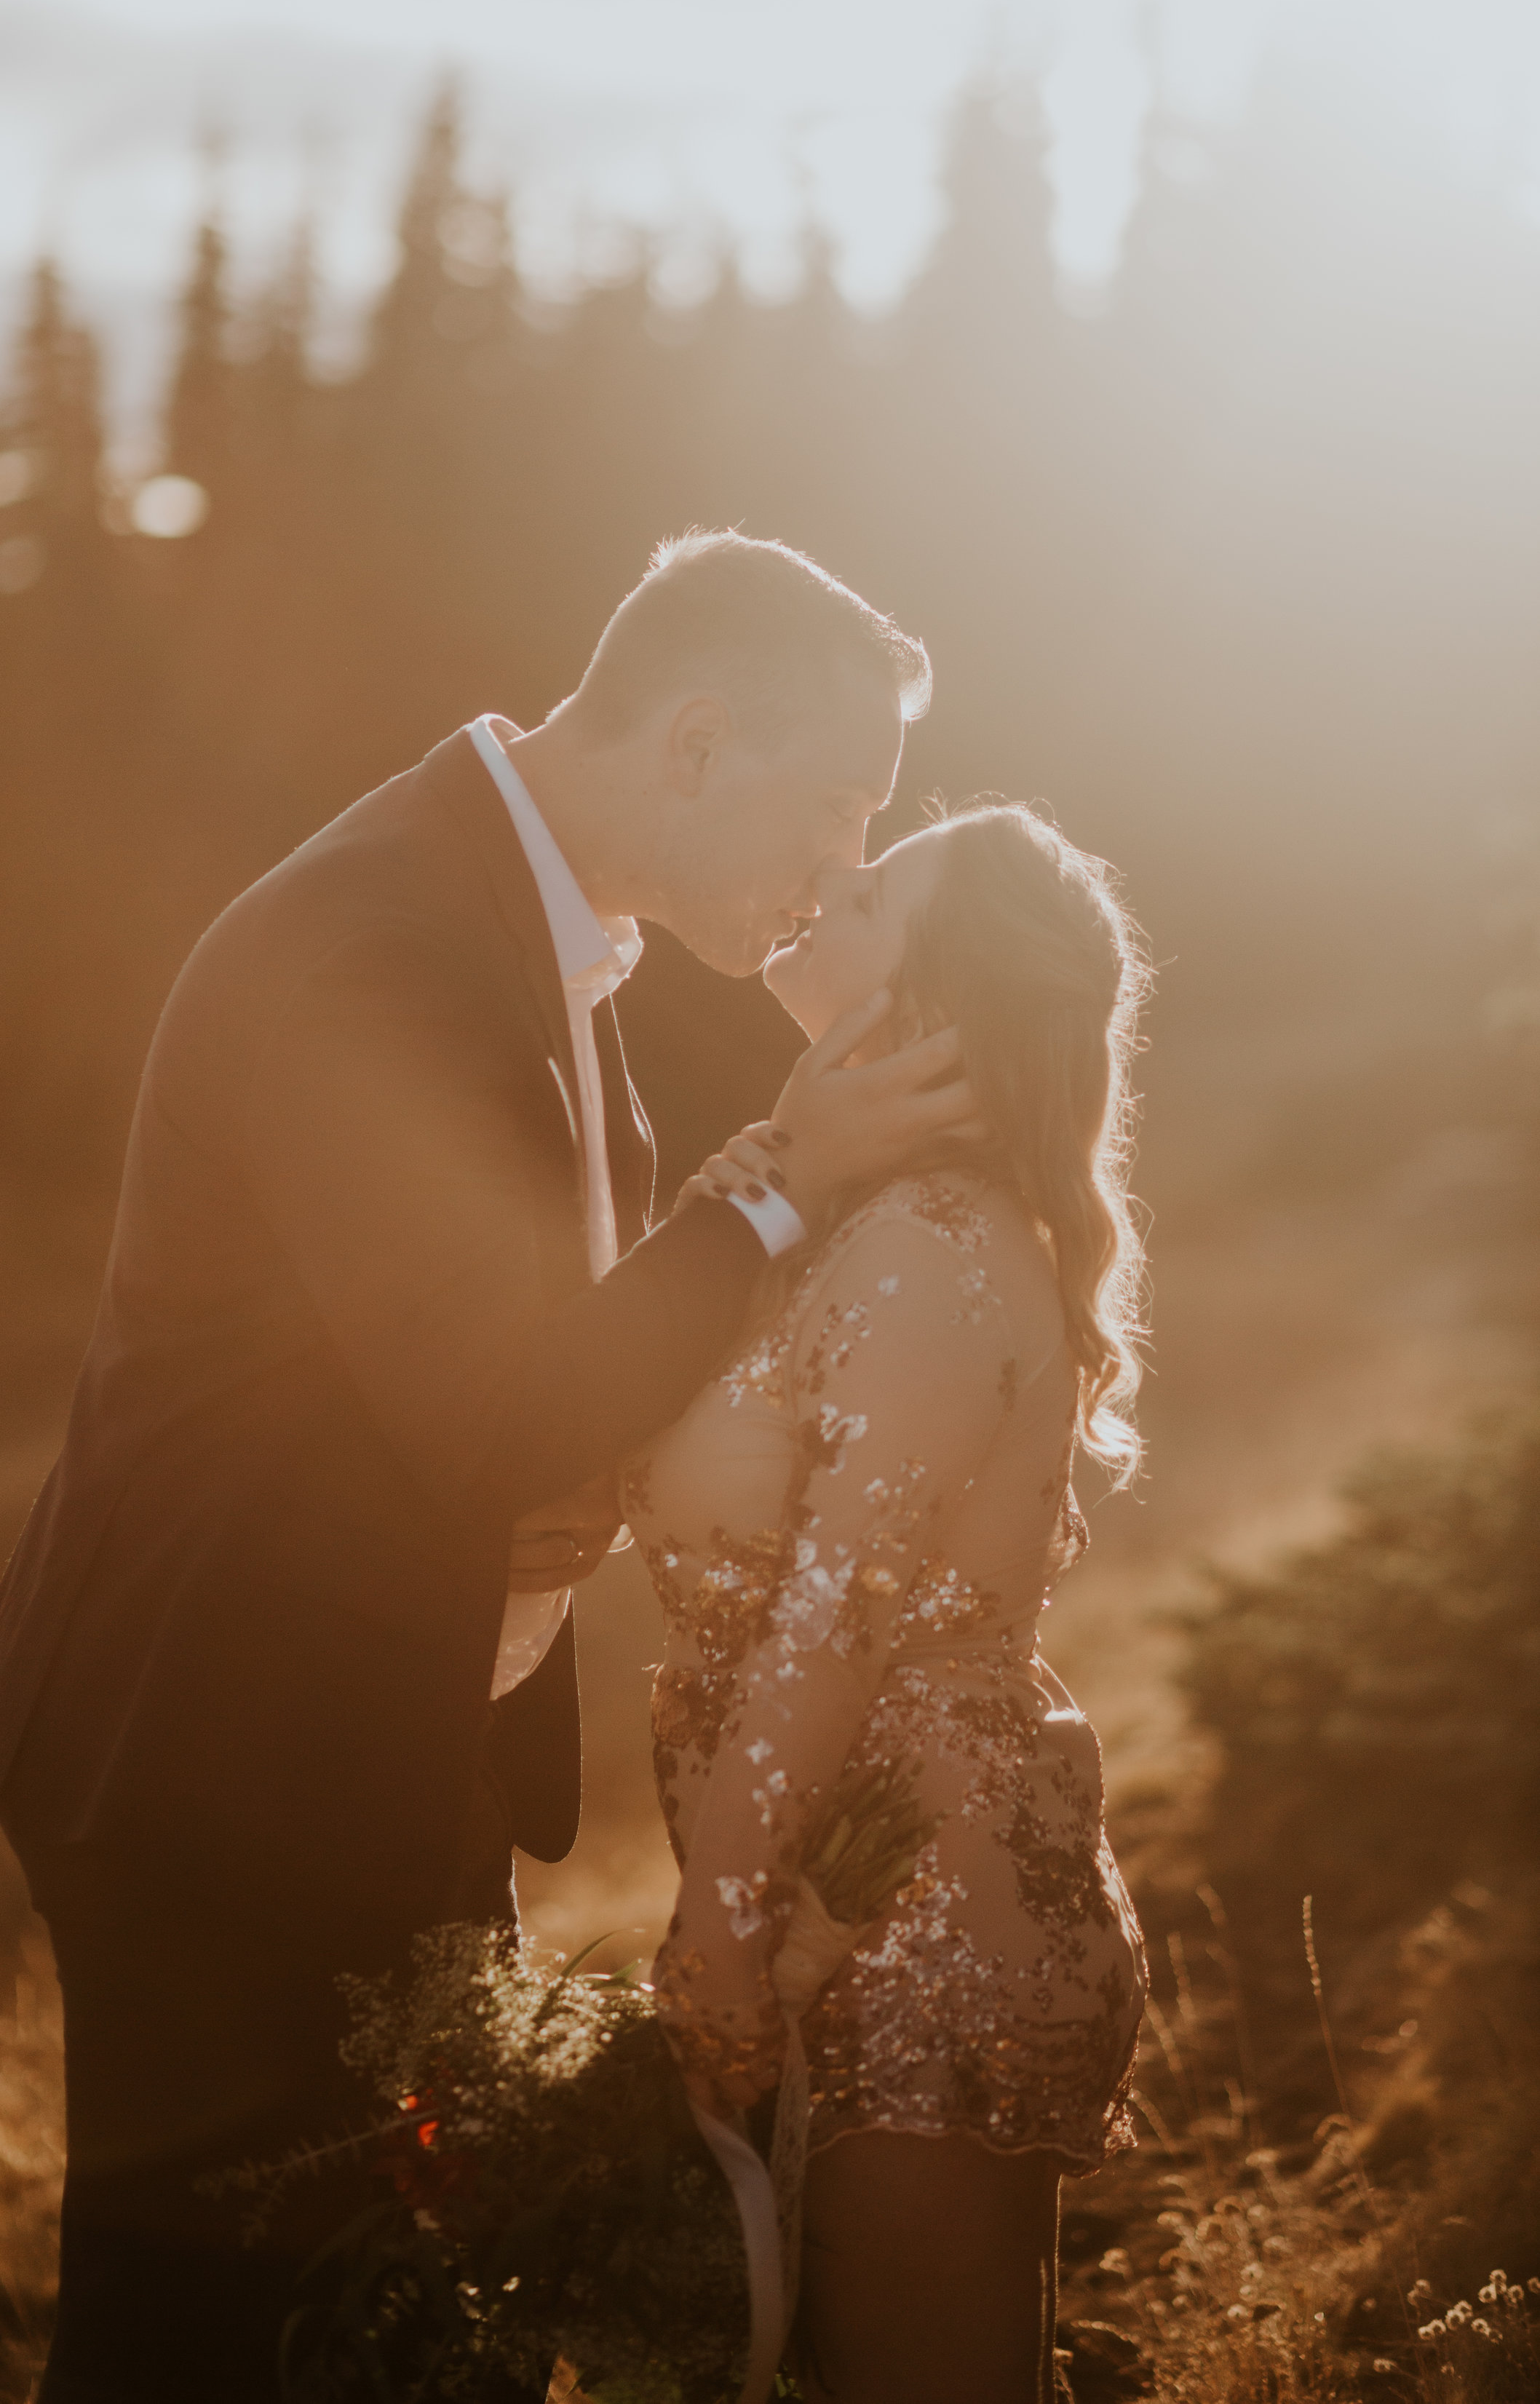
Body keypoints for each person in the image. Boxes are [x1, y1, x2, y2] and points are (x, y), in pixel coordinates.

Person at [0, 529, 977, 2402]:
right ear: (690, 741)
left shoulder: (534, 936)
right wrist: (780, 1189)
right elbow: (496, 1400)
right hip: (209, 1758)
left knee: (363, 2319)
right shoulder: (379, 943)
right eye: (826, 807)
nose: (838, 865)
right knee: (195, 2335)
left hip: (361, 1744)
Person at [630, 799, 1151, 2404]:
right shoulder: (852, 1223)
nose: (822, 885)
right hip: (841, 1901)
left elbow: (833, 1620)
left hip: (924, 1926)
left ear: (932, 1005)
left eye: (867, 893)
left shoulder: (932, 1247)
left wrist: (720, 1927)